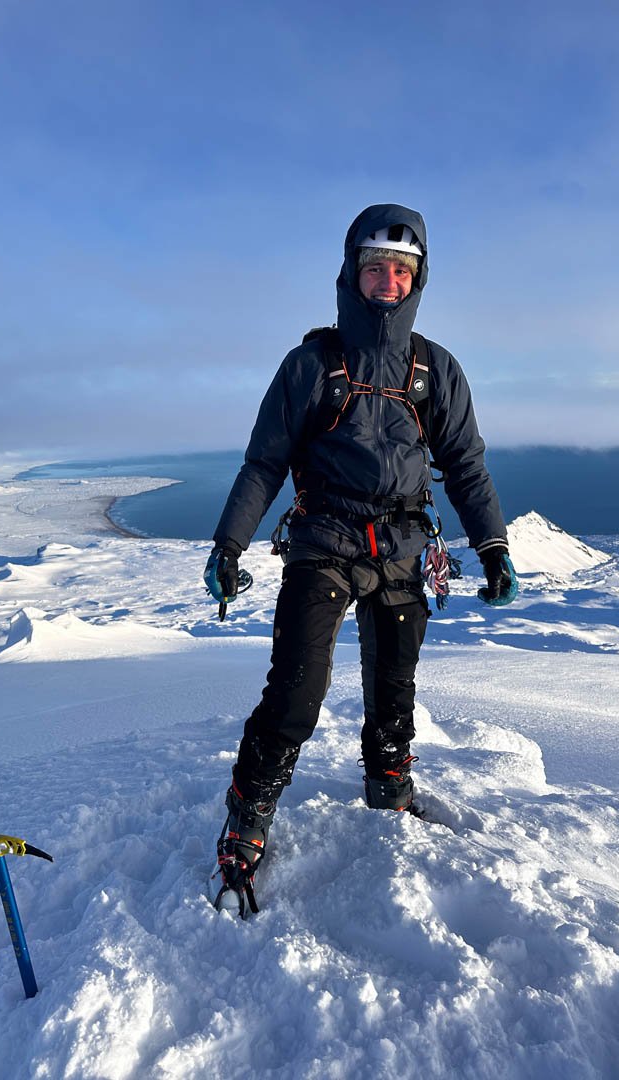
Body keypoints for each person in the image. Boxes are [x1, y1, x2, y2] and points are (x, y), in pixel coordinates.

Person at [204, 203, 517, 913]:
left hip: (402, 547)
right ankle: (249, 809)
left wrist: (493, 545)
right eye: (376, 267)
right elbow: (264, 464)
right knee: (298, 687)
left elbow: (466, 466)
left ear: (418, 279)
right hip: (324, 542)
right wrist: (229, 543)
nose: (388, 281)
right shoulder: (311, 365)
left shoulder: (434, 370)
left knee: (395, 686)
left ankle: (388, 784)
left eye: (401, 270)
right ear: (352, 272)